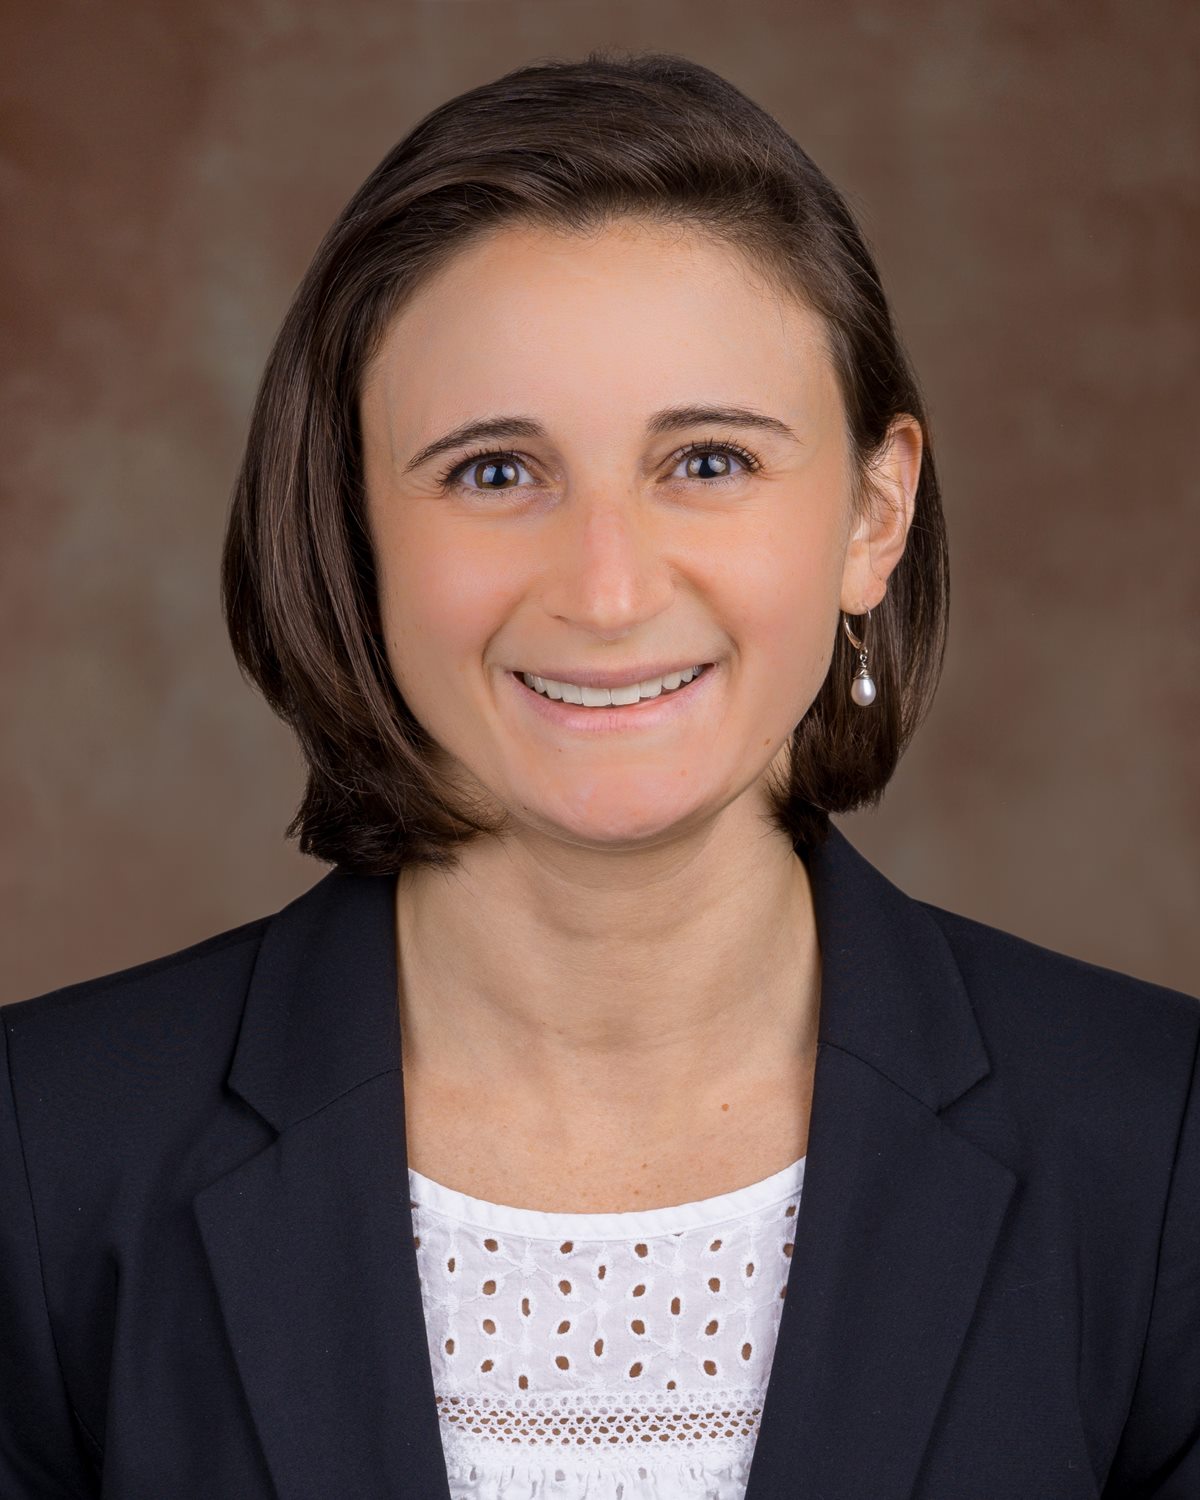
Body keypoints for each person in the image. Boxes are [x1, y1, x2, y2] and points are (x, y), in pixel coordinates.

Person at [2, 47, 1196, 1500]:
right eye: (495, 472)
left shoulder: (1161, 1146)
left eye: (707, 461)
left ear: (874, 516)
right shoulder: (42, 1157)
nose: (609, 588)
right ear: (351, 530)